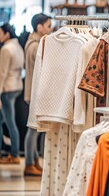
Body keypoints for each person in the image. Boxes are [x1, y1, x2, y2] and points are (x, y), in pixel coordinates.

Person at [23, 13, 51, 176]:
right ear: (39, 27)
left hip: (34, 91)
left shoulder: (33, 43)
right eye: (48, 26)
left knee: (34, 128)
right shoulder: (35, 45)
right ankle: (29, 163)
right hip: (35, 92)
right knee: (33, 129)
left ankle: (33, 162)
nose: (50, 29)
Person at [0, 23, 24, 164]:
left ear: (7, 34)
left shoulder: (6, 49)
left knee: (10, 122)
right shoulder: (18, 47)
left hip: (7, 88)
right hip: (17, 86)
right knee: (5, 120)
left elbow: (2, 73)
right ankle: (11, 152)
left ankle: (14, 154)